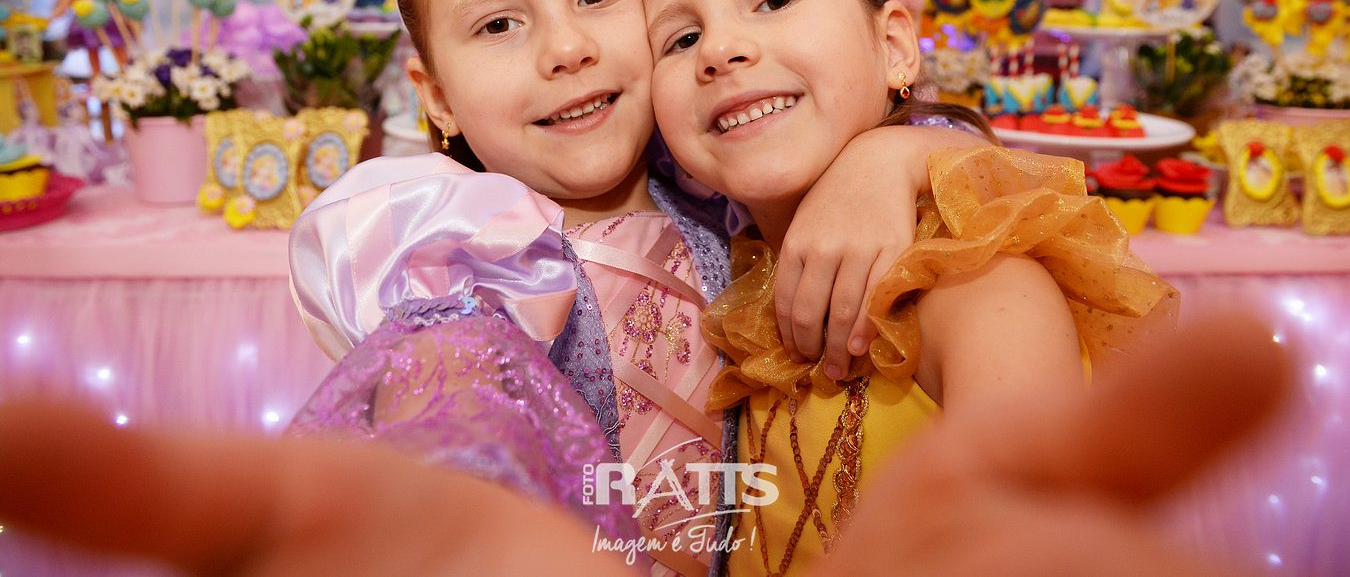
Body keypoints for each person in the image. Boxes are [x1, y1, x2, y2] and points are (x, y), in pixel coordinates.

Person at [285, 0, 984, 575]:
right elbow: (443, 421)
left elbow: (970, 167)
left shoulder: (718, 185)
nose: (567, 48)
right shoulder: (460, 250)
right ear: (438, 96)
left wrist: (888, 158)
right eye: (498, 25)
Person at [638, 0, 1179, 572]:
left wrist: (892, 157)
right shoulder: (718, 277)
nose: (718, 49)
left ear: (894, 45)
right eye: (679, 39)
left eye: (774, 0)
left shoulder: (980, 294)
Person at [0, 310, 1292, 574]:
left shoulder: (951, 250)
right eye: (679, 29)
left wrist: (907, 154)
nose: (721, 48)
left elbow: (1014, 443)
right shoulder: (708, 250)